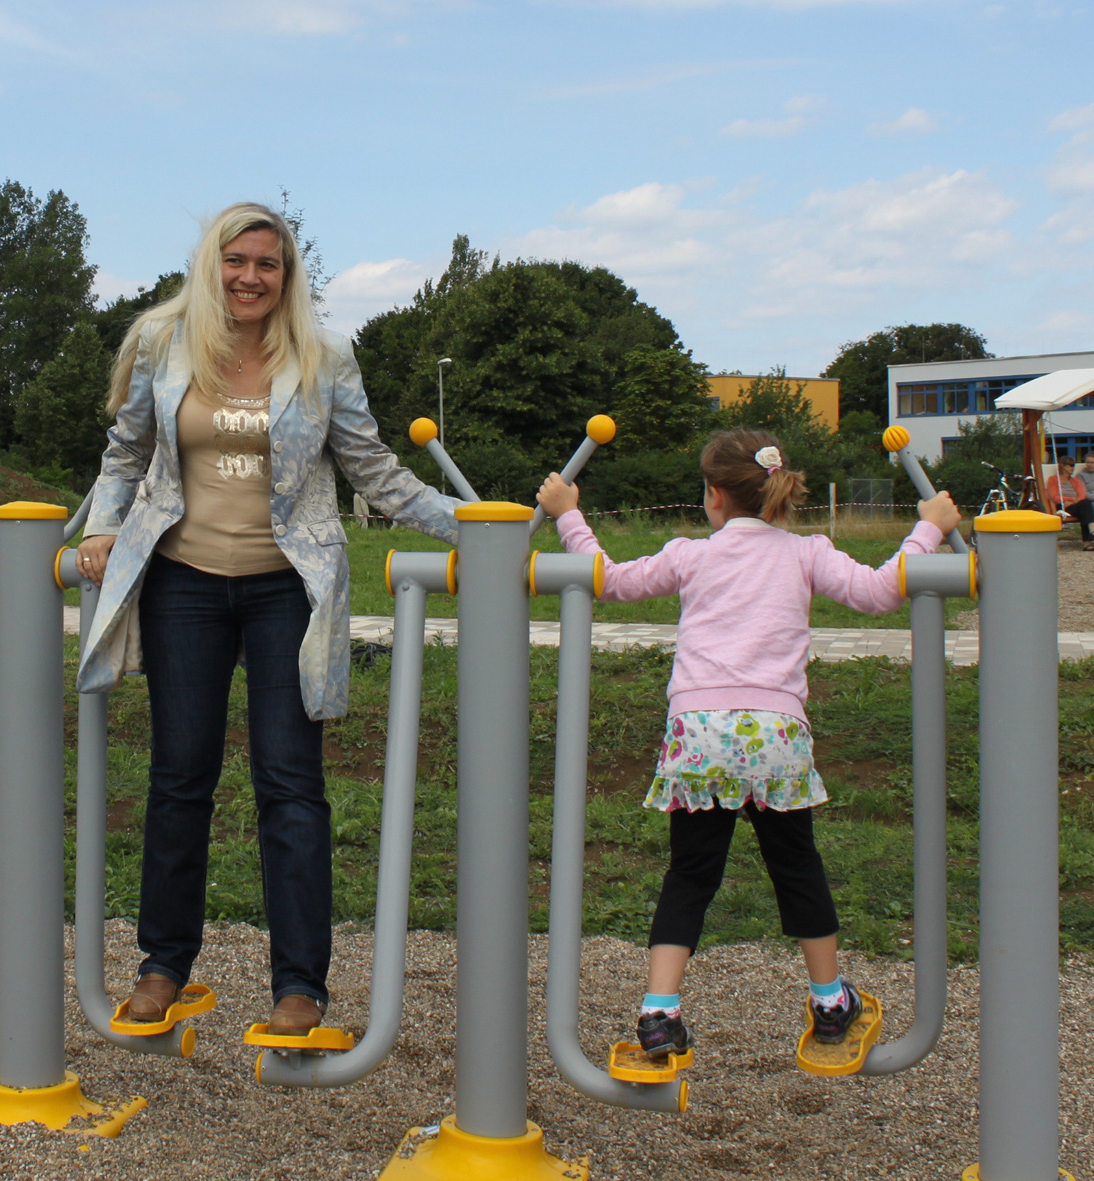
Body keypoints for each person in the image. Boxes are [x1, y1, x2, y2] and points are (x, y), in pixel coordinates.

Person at [76, 203, 460, 1036]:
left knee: (291, 783)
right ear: (210, 263)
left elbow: (372, 468)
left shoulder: (321, 357)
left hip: (288, 584)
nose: (251, 276)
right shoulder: (162, 343)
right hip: (183, 581)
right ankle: (163, 962)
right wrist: (103, 525)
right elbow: (128, 450)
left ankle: (299, 984)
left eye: (269, 264)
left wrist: (476, 528)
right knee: (180, 774)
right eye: (236, 260)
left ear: (288, 277)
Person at [536, 429, 961, 1055]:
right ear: (780, 494)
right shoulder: (806, 552)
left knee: (689, 873)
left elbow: (608, 579)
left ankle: (659, 1011)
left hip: (699, 735)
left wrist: (570, 515)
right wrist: (927, 527)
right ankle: (829, 1001)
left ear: (713, 496)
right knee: (796, 866)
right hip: (775, 738)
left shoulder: (691, 555)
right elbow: (880, 592)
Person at [1047, 456, 1094, 551]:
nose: (1073, 468)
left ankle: (1089, 538)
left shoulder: (1075, 481)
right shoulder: (1053, 480)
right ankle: (1088, 538)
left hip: (1076, 505)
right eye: (1071, 465)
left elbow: (1082, 496)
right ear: (1063, 466)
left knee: (1085, 505)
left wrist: (1071, 500)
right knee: (1086, 507)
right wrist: (1071, 499)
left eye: (1074, 465)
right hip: (1063, 507)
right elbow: (1054, 497)